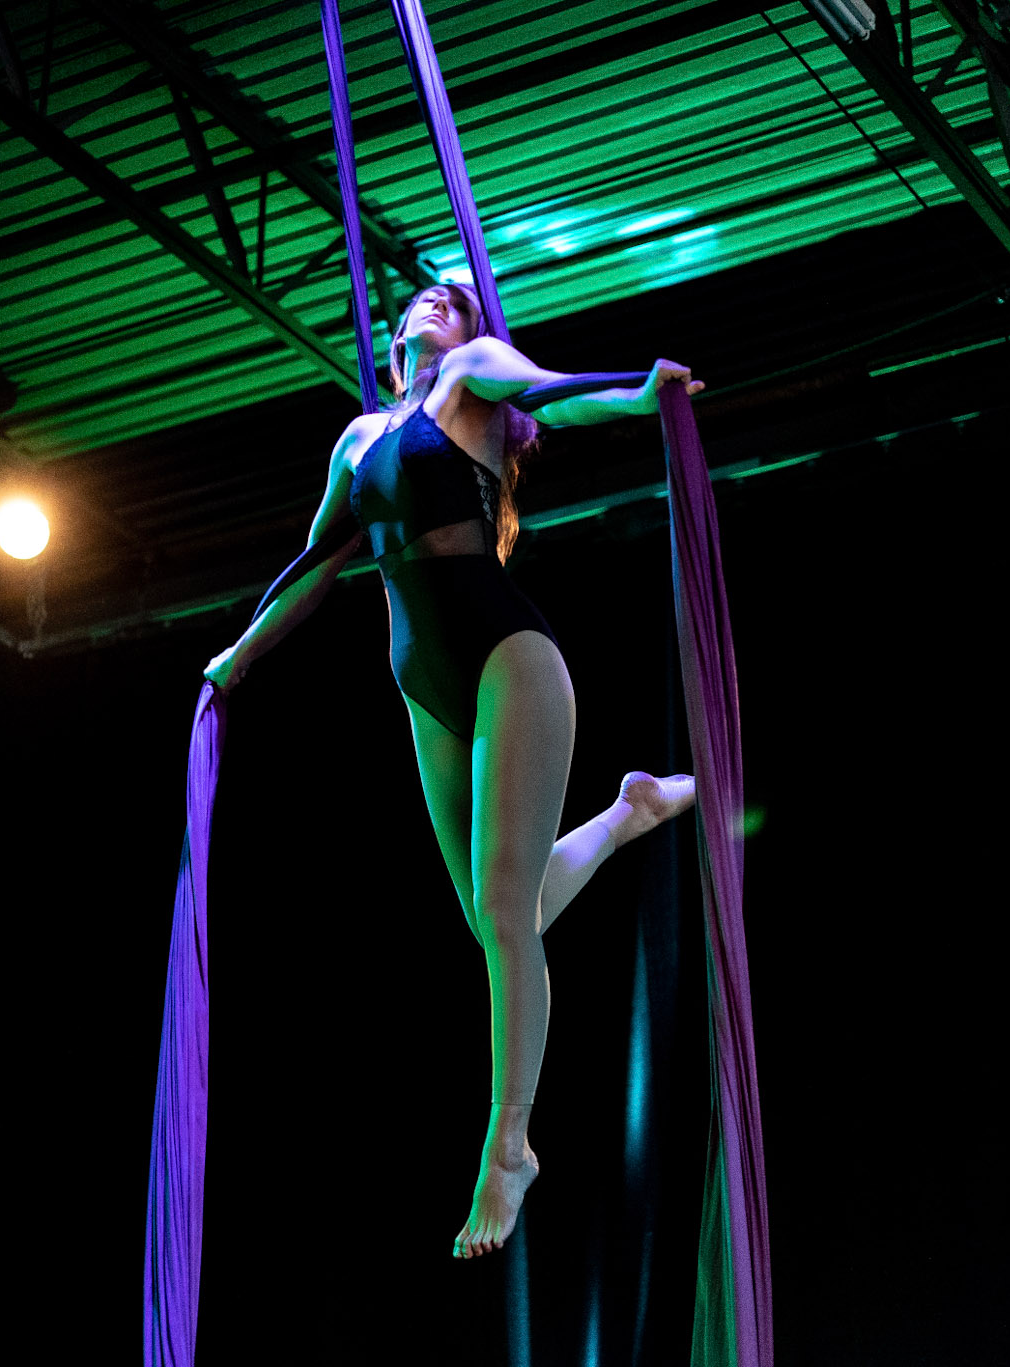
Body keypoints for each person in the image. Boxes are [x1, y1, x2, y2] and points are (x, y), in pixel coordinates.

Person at [203, 282, 703, 1259]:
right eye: (419, 300)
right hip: (420, 684)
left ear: (468, 331)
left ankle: (507, 1138)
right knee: (493, 915)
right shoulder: (357, 436)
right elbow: (315, 562)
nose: (428, 304)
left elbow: (553, 390)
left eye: (450, 299)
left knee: (505, 921)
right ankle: (627, 812)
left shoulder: (472, 378)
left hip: (504, 647)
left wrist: (639, 393)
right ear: (390, 341)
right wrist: (240, 654)